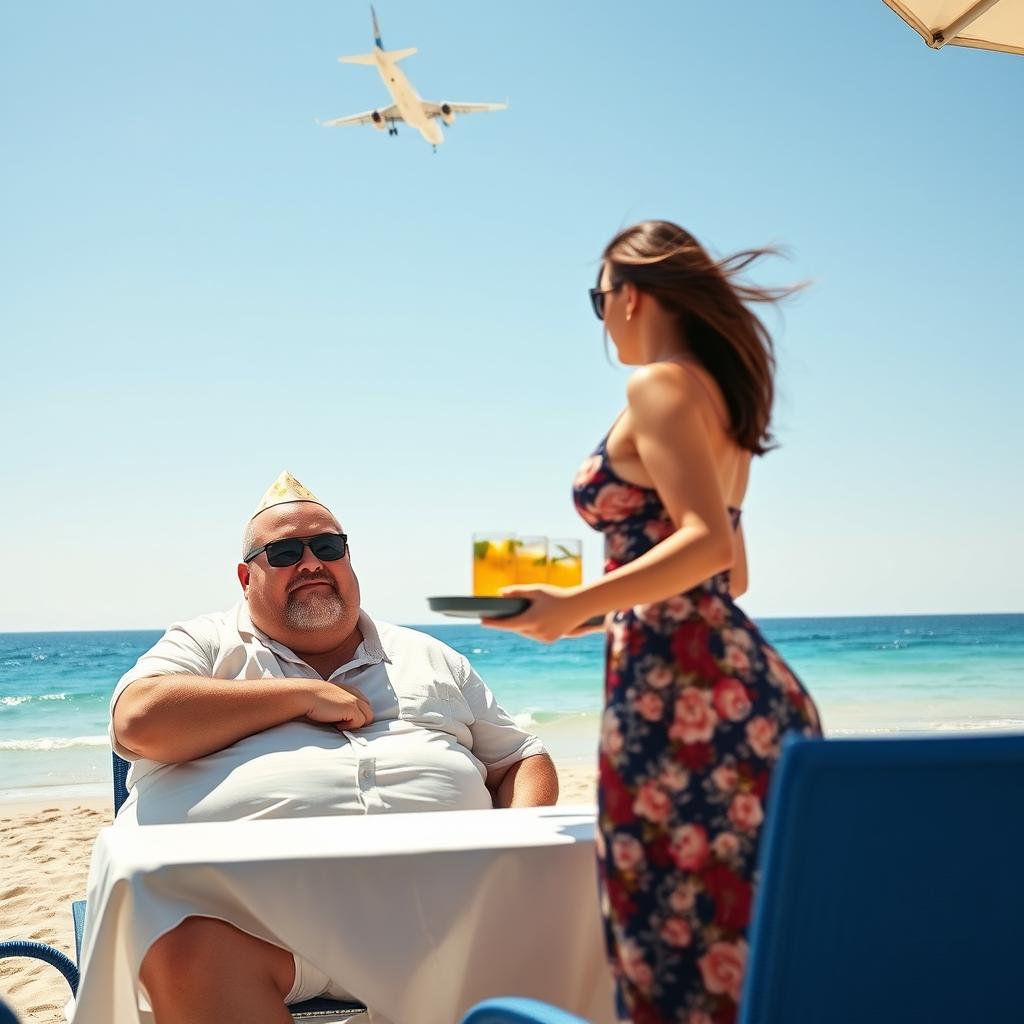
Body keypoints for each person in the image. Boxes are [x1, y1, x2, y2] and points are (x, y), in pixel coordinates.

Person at [483, 222, 822, 1024]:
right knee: (736, 941)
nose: (601, 319)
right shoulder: (721, 400)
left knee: (666, 942)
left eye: (597, 299)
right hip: (739, 688)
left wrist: (574, 603)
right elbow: (731, 575)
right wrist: (588, 620)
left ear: (630, 294)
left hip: (679, 706)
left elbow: (704, 549)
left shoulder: (659, 387)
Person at [110, 471, 557, 1021]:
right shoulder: (206, 644)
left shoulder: (429, 656)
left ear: (348, 561)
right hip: (258, 931)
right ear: (245, 576)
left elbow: (520, 759)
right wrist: (299, 696)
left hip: (446, 922)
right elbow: (139, 721)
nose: (311, 562)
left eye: (327, 546)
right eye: (284, 552)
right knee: (185, 953)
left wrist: (517, 852)